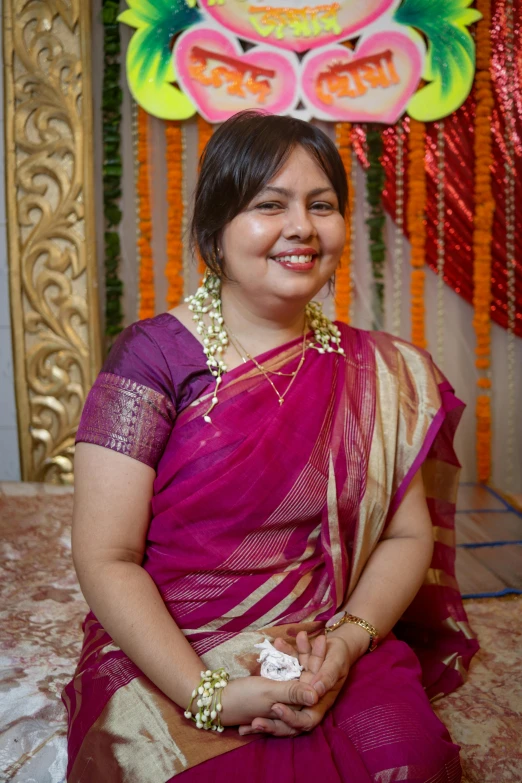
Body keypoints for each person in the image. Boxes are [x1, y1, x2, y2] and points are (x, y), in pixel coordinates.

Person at [63, 111, 478, 782]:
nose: (302, 228)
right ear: (215, 231)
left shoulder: (381, 372)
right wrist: (209, 694)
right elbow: (105, 555)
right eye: (269, 205)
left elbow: (405, 539)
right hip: (175, 644)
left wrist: (346, 644)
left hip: (324, 638)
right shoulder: (153, 359)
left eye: (322, 205)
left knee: (411, 762)